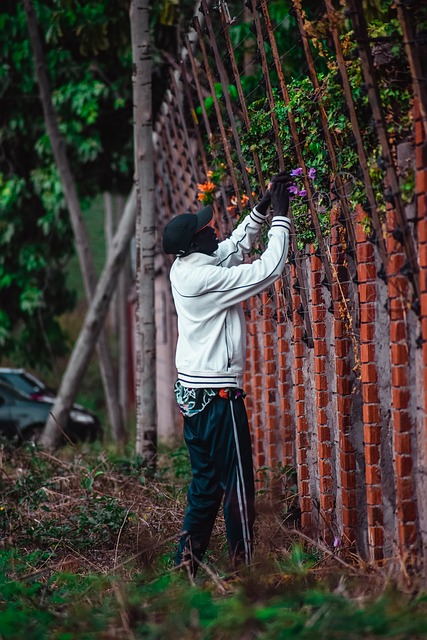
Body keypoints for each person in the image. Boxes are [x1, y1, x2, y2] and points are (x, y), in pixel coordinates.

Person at [162, 171, 293, 577]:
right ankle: (245, 574)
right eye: (206, 229)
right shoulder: (203, 279)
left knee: (205, 484)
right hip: (218, 400)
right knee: (238, 485)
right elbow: (265, 272)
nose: (213, 228)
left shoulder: (186, 269)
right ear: (193, 244)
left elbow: (231, 248)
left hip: (194, 397)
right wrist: (283, 219)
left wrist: (260, 208)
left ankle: (185, 567)